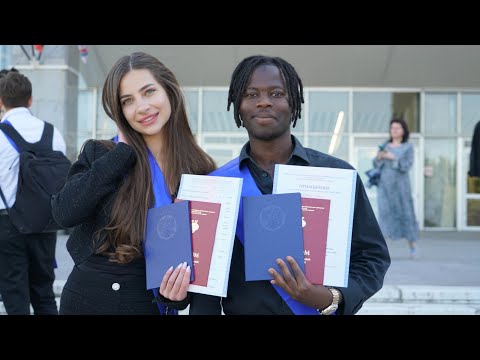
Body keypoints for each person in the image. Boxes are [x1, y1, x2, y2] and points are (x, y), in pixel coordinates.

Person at [178, 55, 390, 315]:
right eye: (251, 94)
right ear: (238, 106)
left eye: (277, 93)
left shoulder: (336, 176)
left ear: (294, 103)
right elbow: (205, 291)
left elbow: (372, 257)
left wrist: (330, 297)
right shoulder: (215, 188)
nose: (264, 101)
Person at [51, 52, 216, 315]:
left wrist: (176, 296)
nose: (141, 107)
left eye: (149, 92)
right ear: (120, 112)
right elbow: (64, 212)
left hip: (148, 306)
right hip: (89, 301)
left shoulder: (199, 169)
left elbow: (199, 261)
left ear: (169, 91)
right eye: (128, 101)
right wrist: (121, 155)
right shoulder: (103, 153)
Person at [0, 70, 66, 315]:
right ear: (30, 99)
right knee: (44, 293)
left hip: (7, 224)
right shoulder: (52, 133)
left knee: (15, 296)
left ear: (0, 101)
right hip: (44, 222)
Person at [373, 117, 419, 259]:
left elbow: (407, 165)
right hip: (385, 187)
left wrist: (393, 157)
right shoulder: (384, 145)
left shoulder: (408, 147)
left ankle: (412, 247)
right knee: (385, 215)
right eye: (392, 128)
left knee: (406, 214)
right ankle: (381, 250)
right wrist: (379, 157)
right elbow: (376, 165)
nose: (394, 130)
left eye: (397, 128)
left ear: (403, 130)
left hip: (401, 188)